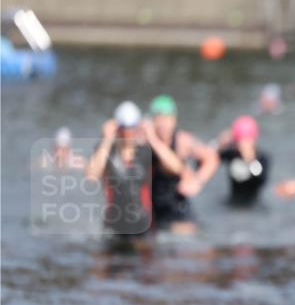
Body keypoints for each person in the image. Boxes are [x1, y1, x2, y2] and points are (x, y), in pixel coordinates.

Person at [85, 101, 183, 237]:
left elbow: (177, 168)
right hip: (113, 227)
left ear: (137, 128)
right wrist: (106, 140)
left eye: (132, 129)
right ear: (117, 129)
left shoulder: (146, 151)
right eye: (124, 129)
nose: (128, 134)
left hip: (144, 226)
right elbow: (91, 175)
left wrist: (152, 138)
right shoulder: (107, 151)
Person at [148, 94, 220, 234]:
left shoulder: (182, 141)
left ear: (174, 120)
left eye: (167, 119)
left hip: (177, 209)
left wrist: (198, 181)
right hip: (153, 210)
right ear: (153, 121)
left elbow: (211, 157)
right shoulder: (145, 140)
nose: (163, 125)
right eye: (159, 119)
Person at [216, 115, 270, 207]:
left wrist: (250, 160)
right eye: (241, 141)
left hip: (253, 203)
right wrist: (219, 144)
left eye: (247, 140)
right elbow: (206, 161)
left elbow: (261, 181)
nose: (244, 144)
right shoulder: (232, 154)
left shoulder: (262, 157)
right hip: (233, 201)